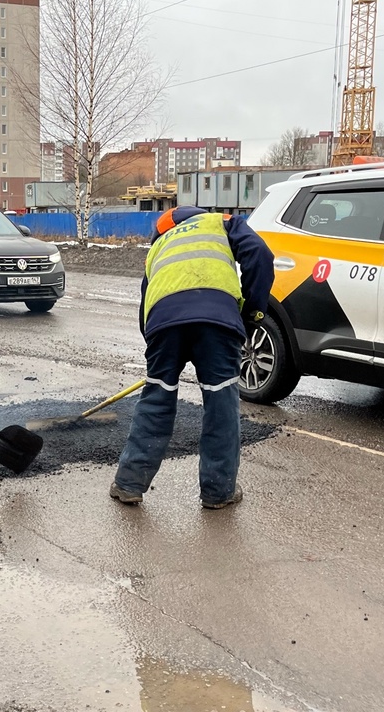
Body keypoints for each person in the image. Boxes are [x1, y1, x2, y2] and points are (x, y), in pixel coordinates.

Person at [110, 206, 275, 509]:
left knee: (157, 399)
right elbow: (259, 253)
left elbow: (146, 303)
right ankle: (217, 491)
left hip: (164, 326)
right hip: (216, 323)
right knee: (220, 403)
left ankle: (129, 484)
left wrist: (159, 350)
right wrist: (253, 310)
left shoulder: (158, 246)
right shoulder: (222, 221)